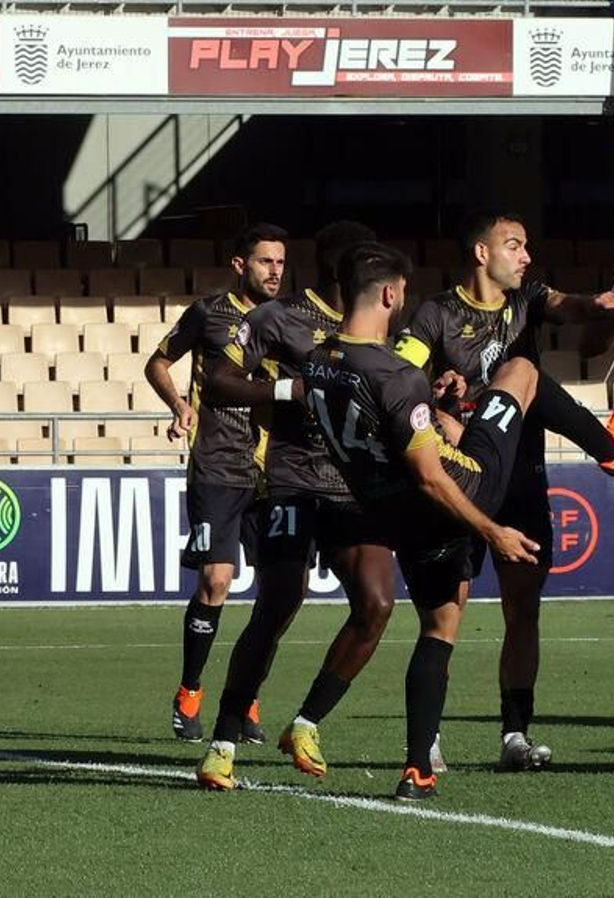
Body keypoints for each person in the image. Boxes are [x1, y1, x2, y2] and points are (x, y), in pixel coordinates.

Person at [392, 210, 614, 772]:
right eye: (514, 245)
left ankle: (514, 735)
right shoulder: (436, 313)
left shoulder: (528, 297)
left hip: (523, 482)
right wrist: (438, 407)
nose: (526, 256)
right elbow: (397, 382)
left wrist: (609, 305)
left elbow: (569, 307)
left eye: (527, 246)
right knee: (447, 613)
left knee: (522, 611)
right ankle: (428, 736)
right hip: (464, 479)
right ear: (482, 253)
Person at [302, 242, 541, 800]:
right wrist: (492, 529)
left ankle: (419, 769)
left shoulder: (317, 362)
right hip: (466, 485)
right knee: (523, 371)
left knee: (440, 626)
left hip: (395, 515)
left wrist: (430, 411)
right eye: (402, 293)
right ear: (390, 293)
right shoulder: (394, 375)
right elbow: (435, 477)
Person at [196, 221, 397, 790]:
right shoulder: (277, 317)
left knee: (378, 603)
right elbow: (218, 382)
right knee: (279, 603)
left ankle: (305, 722)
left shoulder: (378, 323)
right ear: (348, 269)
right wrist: (288, 391)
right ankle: (223, 741)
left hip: (356, 484)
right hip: (293, 479)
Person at [146, 223, 286, 744]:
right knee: (216, 582)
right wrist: (181, 405)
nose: (274, 270)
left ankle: (246, 697)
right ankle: (189, 692)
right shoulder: (208, 314)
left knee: (277, 593)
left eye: (280, 262)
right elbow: (157, 362)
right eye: (265, 261)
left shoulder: (289, 319)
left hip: (275, 471)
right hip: (218, 465)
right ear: (239, 265)